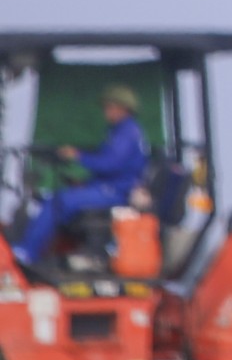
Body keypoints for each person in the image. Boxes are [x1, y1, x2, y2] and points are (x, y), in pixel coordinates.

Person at [13, 84, 149, 267]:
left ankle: (27, 252)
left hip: (117, 191)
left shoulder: (126, 133)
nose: (106, 111)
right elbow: (111, 166)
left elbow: (110, 164)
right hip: (109, 186)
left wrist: (77, 155)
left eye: (109, 106)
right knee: (54, 197)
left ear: (122, 108)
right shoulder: (121, 131)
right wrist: (84, 181)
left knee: (59, 201)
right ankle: (41, 252)